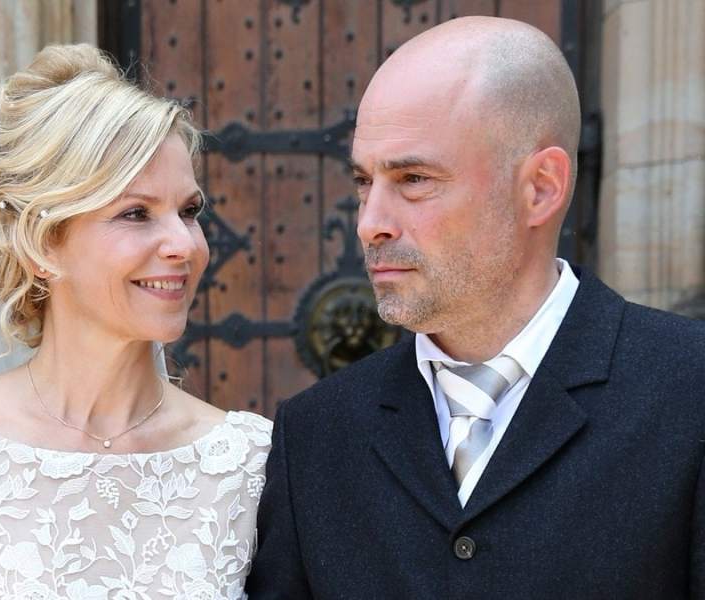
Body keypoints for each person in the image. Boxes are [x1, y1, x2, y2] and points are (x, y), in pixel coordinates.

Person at [246, 16, 705, 599]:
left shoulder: (691, 389)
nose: (370, 224)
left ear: (540, 187)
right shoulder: (315, 434)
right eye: (364, 182)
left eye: (413, 179)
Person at [0, 44, 271, 599]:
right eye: (135, 213)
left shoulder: (249, 465)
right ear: (42, 242)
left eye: (189, 211)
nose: (185, 245)